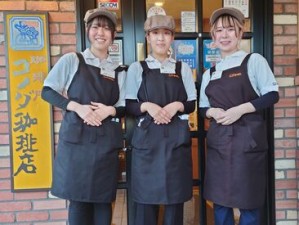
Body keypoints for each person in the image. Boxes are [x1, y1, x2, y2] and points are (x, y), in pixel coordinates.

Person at [41, 8, 126, 225]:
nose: (101, 33)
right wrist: (78, 108)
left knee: (103, 204)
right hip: (77, 145)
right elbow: (47, 91)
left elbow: (125, 104)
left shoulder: (119, 70)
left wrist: (110, 110)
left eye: (107, 29)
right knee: (78, 203)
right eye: (96, 27)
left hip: (105, 145)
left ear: (113, 36)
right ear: (88, 31)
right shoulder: (73, 60)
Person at [199, 7, 279, 225]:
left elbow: (272, 95)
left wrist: (239, 110)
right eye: (219, 31)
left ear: (240, 33)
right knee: (221, 203)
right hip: (220, 147)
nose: (224, 35)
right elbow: (202, 108)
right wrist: (212, 112)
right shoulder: (210, 73)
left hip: (248, 146)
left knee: (249, 202)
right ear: (213, 37)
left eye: (230, 30)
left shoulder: (254, 61)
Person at [125, 9, 197, 225]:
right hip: (148, 145)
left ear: (172, 38)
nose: (161, 38)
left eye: (166, 33)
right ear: (148, 37)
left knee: (175, 202)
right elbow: (129, 104)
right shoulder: (138, 68)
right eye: (155, 33)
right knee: (146, 204)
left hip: (175, 144)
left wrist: (176, 105)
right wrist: (149, 106)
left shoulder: (182, 68)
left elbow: (191, 103)